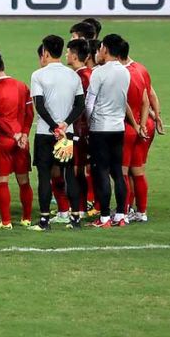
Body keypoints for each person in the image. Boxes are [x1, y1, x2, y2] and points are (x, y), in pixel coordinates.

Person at [30, 35, 85, 231]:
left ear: (45, 52)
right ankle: (75, 218)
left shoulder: (38, 75)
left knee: (44, 175)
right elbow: (80, 105)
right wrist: (64, 125)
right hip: (66, 134)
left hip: (46, 134)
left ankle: (44, 220)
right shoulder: (73, 75)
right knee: (69, 173)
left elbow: (39, 106)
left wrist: (54, 126)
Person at [0, 50, 35, 229]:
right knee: (24, 180)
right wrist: (23, 134)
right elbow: (29, 114)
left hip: (2, 142)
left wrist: (12, 134)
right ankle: (26, 218)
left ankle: (6, 222)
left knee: (2, 182)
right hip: (22, 142)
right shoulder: (22, 86)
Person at [86, 34, 131, 228]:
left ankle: (104, 217)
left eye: (101, 47)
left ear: (106, 49)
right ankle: (120, 215)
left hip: (100, 128)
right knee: (118, 172)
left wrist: (88, 125)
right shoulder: (125, 72)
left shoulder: (99, 73)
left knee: (101, 172)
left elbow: (89, 103)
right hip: (118, 127)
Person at [119, 41, 154, 223]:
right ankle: (140, 212)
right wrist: (147, 122)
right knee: (137, 171)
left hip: (129, 126)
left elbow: (124, 104)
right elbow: (147, 98)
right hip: (144, 124)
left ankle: (123, 211)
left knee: (124, 172)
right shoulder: (139, 70)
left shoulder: (121, 74)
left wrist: (135, 124)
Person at [66, 39, 95, 216]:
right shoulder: (90, 74)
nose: (66, 55)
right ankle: (86, 205)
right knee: (83, 168)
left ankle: (81, 208)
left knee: (77, 169)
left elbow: (82, 106)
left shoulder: (81, 77)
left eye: (68, 52)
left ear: (75, 56)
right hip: (86, 130)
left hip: (81, 130)